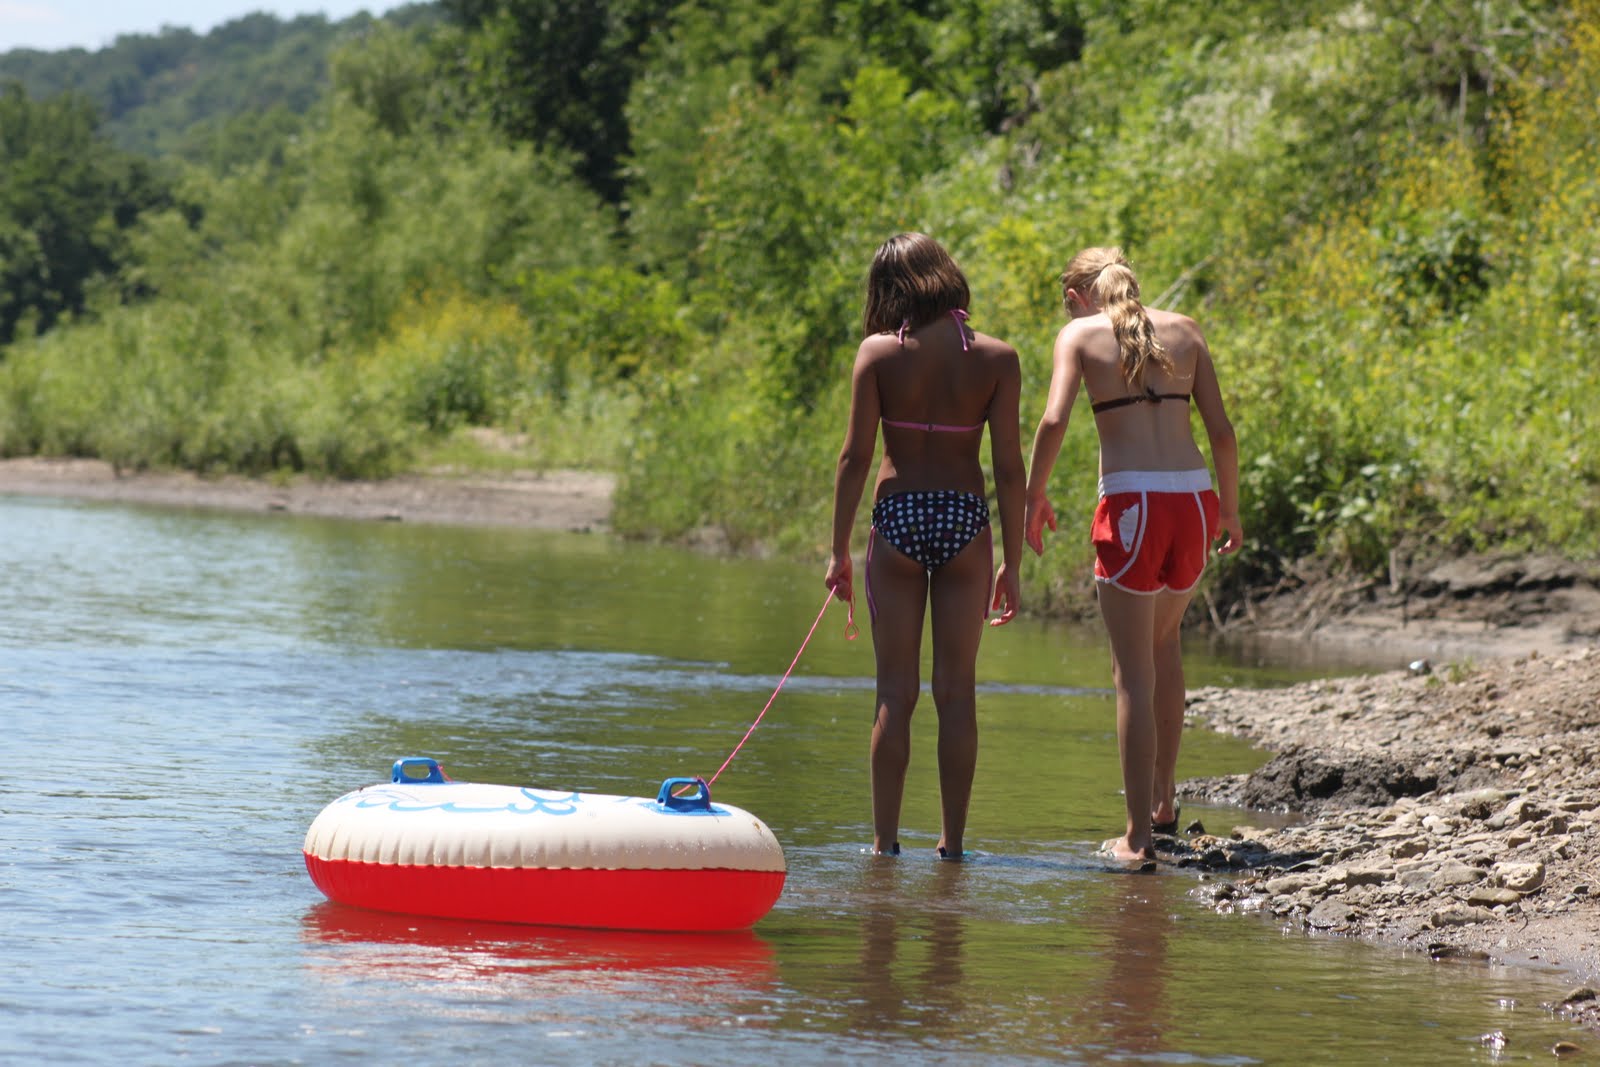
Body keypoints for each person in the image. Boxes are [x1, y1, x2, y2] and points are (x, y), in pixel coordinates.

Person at [1024, 247, 1242, 864]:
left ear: (1076, 298)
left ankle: (1137, 839)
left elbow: (1052, 422)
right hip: (1195, 502)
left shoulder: (1079, 334)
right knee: (1164, 645)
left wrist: (1033, 497)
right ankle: (1163, 803)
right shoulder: (1187, 331)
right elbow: (1221, 431)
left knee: (1131, 674)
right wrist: (1229, 509)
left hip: (1133, 508)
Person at [825, 232, 1025, 860]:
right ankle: (953, 846)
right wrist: (1012, 563)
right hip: (966, 518)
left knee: (895, 693)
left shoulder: (879, 354)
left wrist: (837, 552)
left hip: (900, 517)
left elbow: (856, 457)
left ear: (893, 290)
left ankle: (884, 846)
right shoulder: (998, 357)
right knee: (957, 692)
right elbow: (1011, 468)